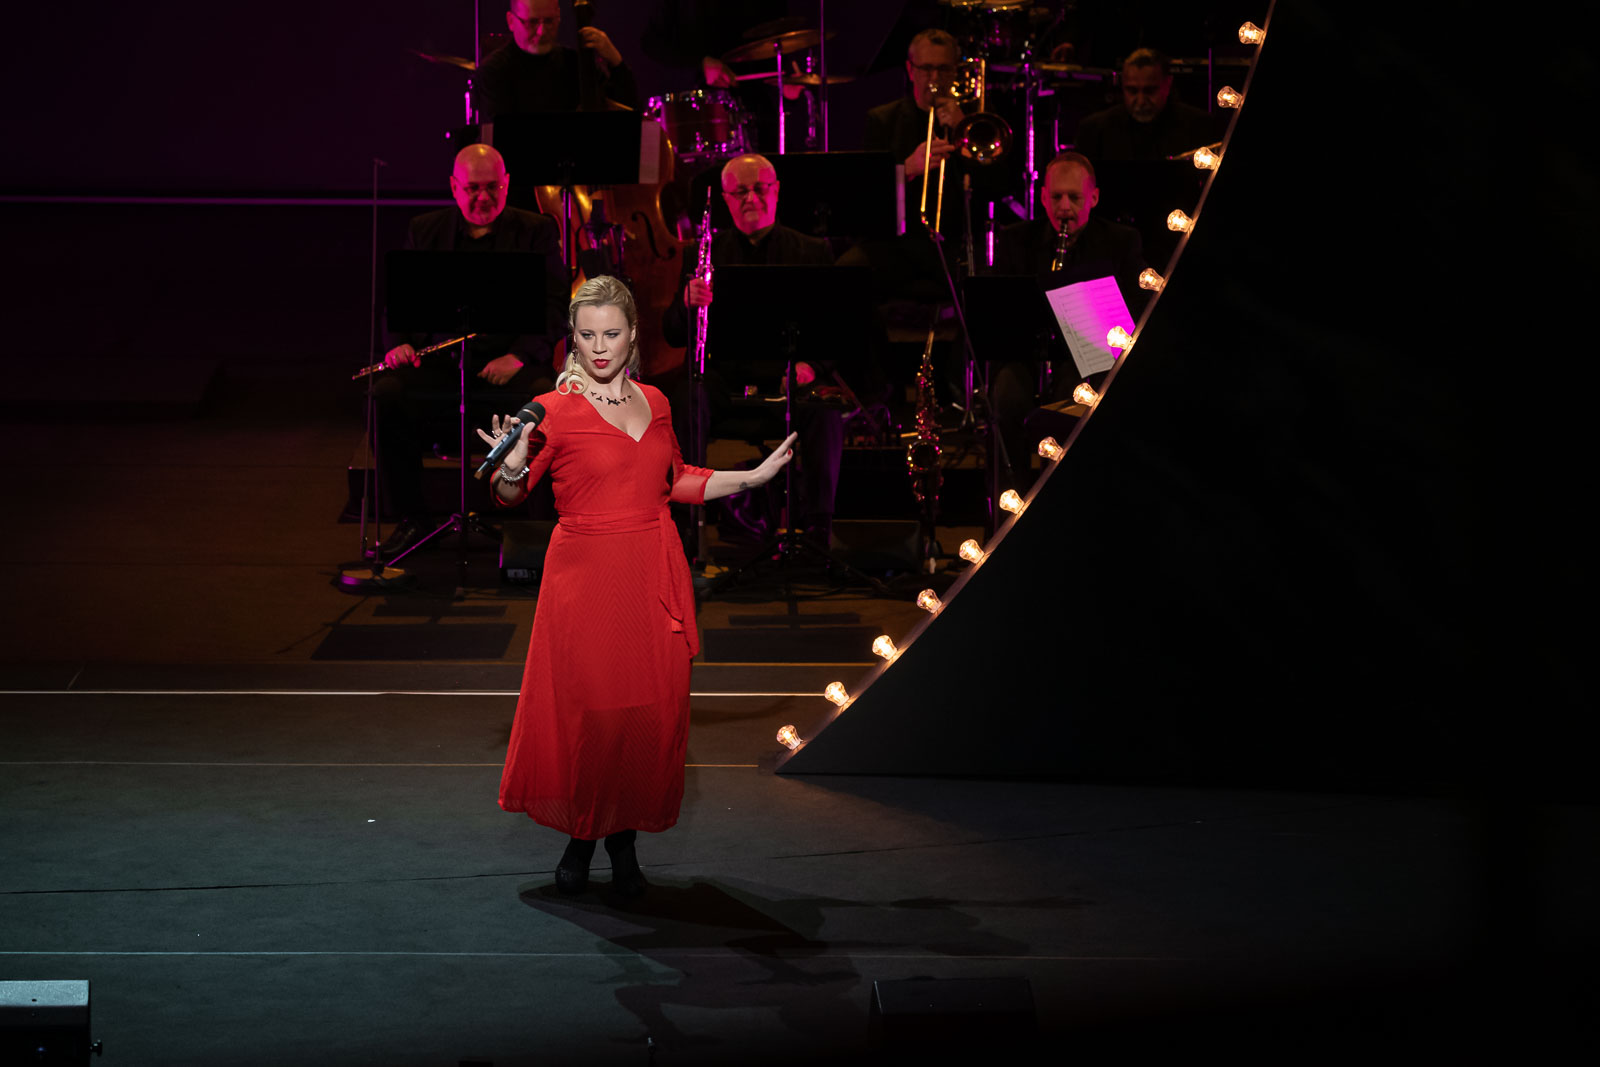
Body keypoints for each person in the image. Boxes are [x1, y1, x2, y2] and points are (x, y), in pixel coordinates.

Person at [484, 276, 795, 898]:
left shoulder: (655, 401)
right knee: (596, 718)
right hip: (586, 580)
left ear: (633, 337)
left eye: (612, 334)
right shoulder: (552, 410)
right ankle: (584, 839)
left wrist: (751, 477)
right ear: (573, 338)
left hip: (650, 573)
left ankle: (621, 843)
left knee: (644, 714)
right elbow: (508, 494)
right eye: (588, 335)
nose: (600, 347)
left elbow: (675, 480)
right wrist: (511, 467)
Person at [373, 143, 567, 559]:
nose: (483, 197)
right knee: (386, 395)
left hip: (508, 364)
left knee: (545, 401)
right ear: (453, 187)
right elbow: (399, 302)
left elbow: (554, 306)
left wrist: (519, 355)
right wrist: (400, 344)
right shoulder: (425, 229)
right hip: (441, 364)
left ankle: (542, 532)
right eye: (472, 188)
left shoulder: (536, 230)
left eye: (492, 187)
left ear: (507, 183)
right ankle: (412, 519)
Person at [661, 153, 843, 545]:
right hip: (725, 379)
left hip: (789, 375)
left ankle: (818, 530)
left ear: (776, 191)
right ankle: (686, 525)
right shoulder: (702, 252)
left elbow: (833, 329)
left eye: (760, 188)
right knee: (686, 396)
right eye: (740, 191)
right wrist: (686, 304)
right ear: (726, 199)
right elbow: (674, 334)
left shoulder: (811, 250)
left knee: (825, 410)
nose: (751, 198)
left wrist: (810, 365)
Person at [990, 151, 1148, 491]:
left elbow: (1136, 310)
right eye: (1056, 197)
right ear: (1042, 197)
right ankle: (1011, 499)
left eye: (1074, 198)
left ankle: (1062, 493)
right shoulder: (1016, 239)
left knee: (1073, 397)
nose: (1064, 208)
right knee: (1006, 395)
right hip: (1027, 355)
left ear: (1094, 197)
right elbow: (999, 310)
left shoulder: (1121, 241)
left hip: (1089, 359)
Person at [477, 0, 640, 117]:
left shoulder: (574, 63)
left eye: (549, 21)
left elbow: (627, 109)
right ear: (511, 21)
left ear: (559, 17)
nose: (541, 31)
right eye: (532, 22)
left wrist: (615, 60)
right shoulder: (494, 71)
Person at [1072, 48, 1219, 161]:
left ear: (1168, 84)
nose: (1141, 101)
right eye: (1132, 91)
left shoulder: (1199, 126)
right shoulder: (1094, 131)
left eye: (1149, 91)